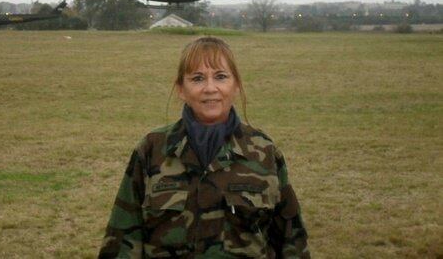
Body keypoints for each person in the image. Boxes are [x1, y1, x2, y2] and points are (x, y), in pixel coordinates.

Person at [98, 37, 310, 258]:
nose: (210, 88)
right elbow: (121, 237)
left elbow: (291, 240)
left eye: (221, 77)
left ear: (236, 85)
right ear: (181, 89)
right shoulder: (152, 149)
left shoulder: (264, 152)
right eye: (198, 78)